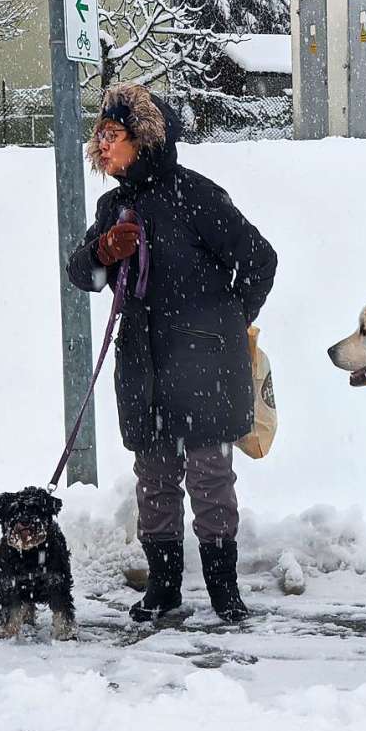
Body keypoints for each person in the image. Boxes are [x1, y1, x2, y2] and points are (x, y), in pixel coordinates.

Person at [67, 83, 277, 623]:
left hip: (205, 362)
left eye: (112, 134)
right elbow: (81, 274)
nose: (102, 143)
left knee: (210, 479)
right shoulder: (114, 206)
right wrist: (103, 250)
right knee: (154, 480)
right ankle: (164, 587)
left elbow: (259, 258)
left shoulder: (196, 194)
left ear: (144, 139)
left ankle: (224, 591)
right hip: (141, 365)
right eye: (100, 135)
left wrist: (232, 321)